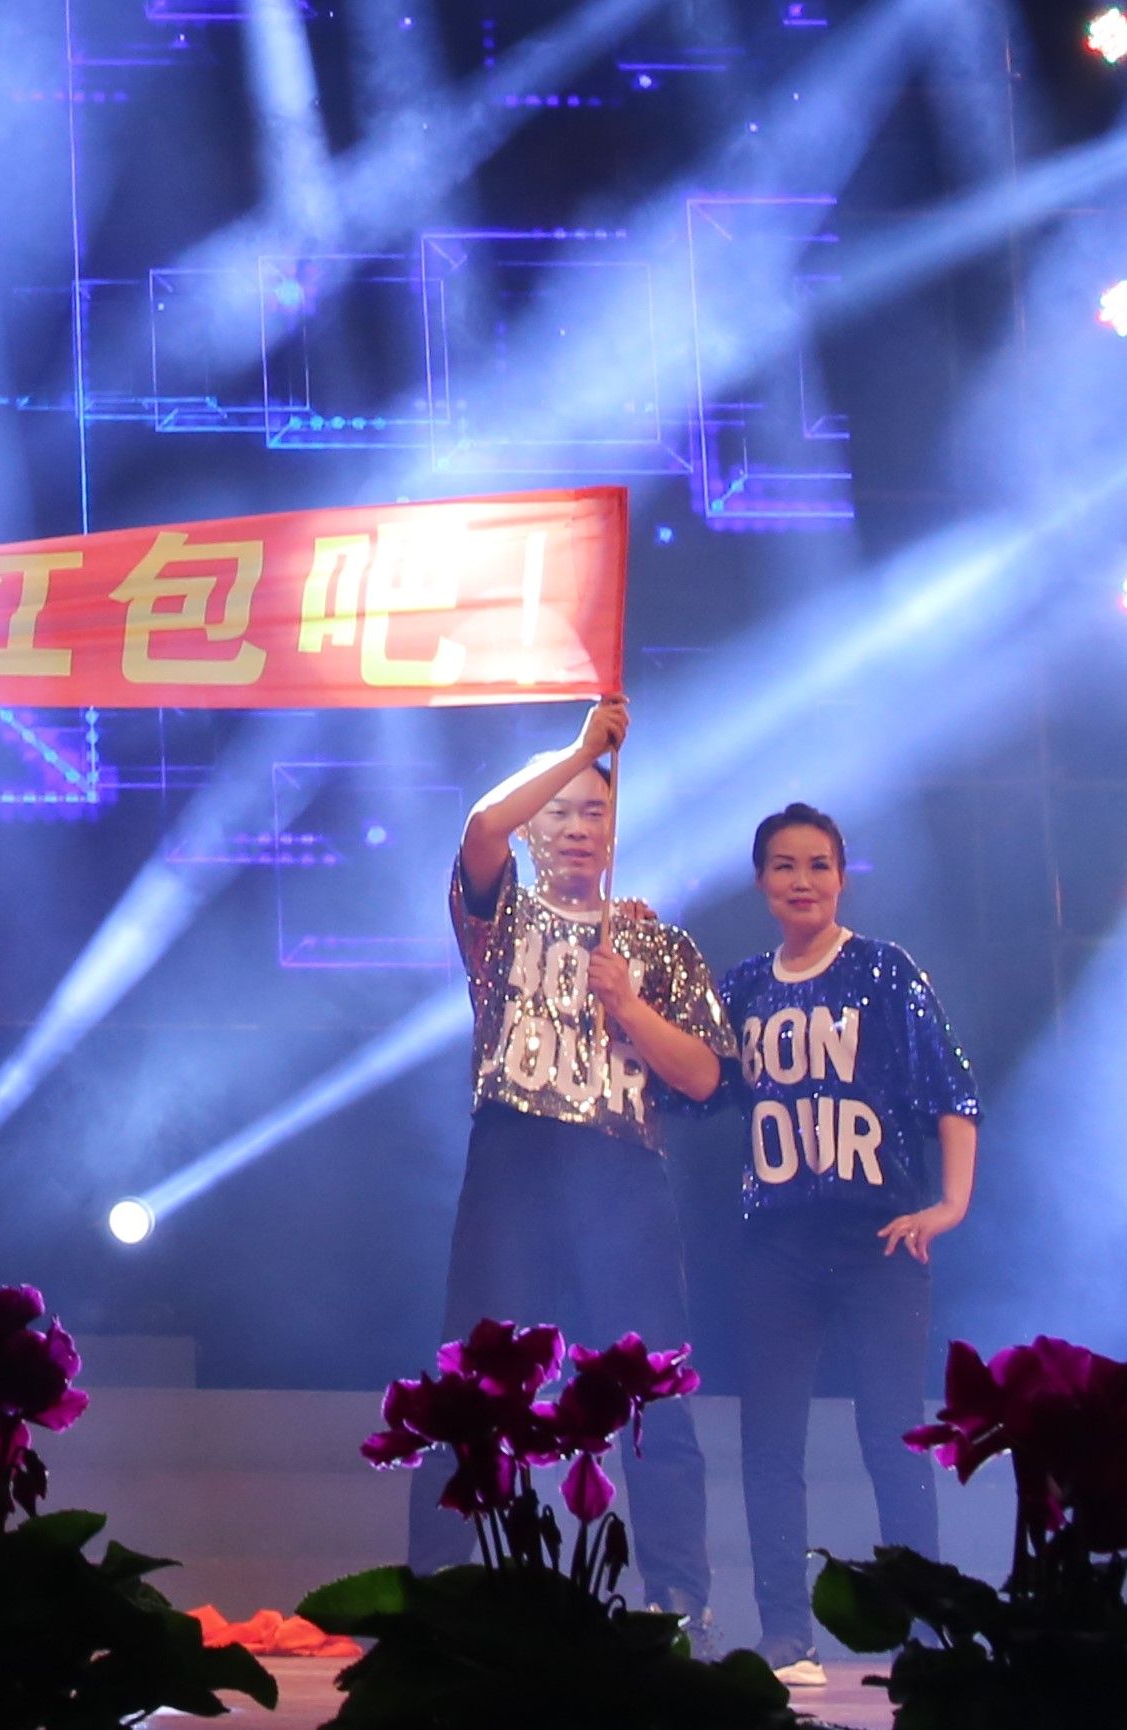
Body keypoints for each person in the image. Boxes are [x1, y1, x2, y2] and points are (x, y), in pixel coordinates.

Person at [415, 697, 728, 1629]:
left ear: (616, 827)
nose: (579, 826)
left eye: (595, 810)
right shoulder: (502, 913)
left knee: (651, 1381)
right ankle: (449, 1589)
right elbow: (481, 827)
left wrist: (630, 1006)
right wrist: (583, 748)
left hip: (623, 1169)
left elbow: (706, 1076)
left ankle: (677, 1596)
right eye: (560, 811)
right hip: (514, 1155)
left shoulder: (656, 942)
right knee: (480, 1375)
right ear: (535, 824)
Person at [717, 803, 980, 1687]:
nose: (802, 880)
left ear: (841, 876)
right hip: (777, 1246)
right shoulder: (743, 987)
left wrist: (950, 1206)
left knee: (893, 1438)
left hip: (878, 1243)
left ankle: (922, 1638)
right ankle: (786, 1635)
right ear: (761, 880)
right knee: (769, 1443)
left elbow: (953, 1092)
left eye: (819, 864)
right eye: (785, 865)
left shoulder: (884, 971)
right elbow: (695, 1081)